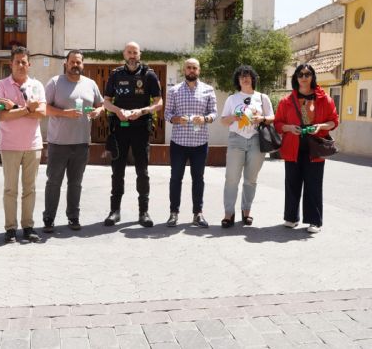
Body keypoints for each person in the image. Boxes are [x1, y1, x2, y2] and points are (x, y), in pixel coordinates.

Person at [42, 50, 104, 232]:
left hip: (81, 143)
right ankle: (49, 218)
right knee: (54, 182)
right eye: (72, 62)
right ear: (66, 64)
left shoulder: (90, 84)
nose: (75, 65)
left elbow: (101, 105)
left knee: (75, 183)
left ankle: (73, 217)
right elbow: (44, 108)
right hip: (58, 143)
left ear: (82, 64)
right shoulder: (55, 82)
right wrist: (64, 113)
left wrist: (98, 111)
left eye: (78, 62)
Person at [102, 41, 163, 227]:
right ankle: (114, 211)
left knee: (142, 172)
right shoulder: (115, 75)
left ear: (140, 55)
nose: (132, 56)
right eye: (129, 52)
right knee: (117, 171)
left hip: (141, 129)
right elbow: (106, 101)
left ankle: (144, 212)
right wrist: (117, 110)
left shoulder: (149, 75)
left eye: (135, 52)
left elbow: (159, 103)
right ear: (124, 54)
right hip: (119, 129)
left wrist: (142, 111)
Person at [274, 64, 338, 233]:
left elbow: (334, 121)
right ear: (296, 77)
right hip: (292, 148)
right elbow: (278, 124)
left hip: (315, 149)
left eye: (307, 74)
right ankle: (291, 217)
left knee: (313, 185)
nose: (304, 77)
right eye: (300, 74)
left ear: (312, 77)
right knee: (292, 183)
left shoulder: (325, 99)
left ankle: (314, 221)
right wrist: (289, 128)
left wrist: (320, 126)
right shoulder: (286, 101)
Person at [0, 47, 46, 243]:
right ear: (11, 64)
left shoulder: (37, 85)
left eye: (24, 62)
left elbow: (42, 113)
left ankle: (28, 226)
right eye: (17, 62)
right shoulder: (0, 85)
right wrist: (26, 109)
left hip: (33, 145)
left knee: (30, 189)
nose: (21, 65)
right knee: (10, 190)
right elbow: (1, 116)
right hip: (9, 145)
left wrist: (14, 108)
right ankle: (10, 229)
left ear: (29, 64)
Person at [219, 65, 274, 228]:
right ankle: (228, 213)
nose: (245, 78)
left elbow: (272, 117)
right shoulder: (232, 99)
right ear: (238, 80)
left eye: (248, 75)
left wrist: (262, 118)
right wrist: (234, 117)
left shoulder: (262, 97)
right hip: (236, 139)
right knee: (231, 178)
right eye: (241, 76)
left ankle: (246, 211)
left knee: (250, 179)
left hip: (256, 139)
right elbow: (223, 121)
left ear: (253, 79)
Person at [164, 58, 217, 227]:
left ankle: (198, 214)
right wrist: (176, 119)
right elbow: (167, 114)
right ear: (184, 70)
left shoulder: (208, 90)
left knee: (198, 179)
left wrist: (205, 119)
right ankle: (173, 213)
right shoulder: (174, 90)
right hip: (178, 143)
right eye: (188, 67)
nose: (191, 70)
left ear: (199, 70)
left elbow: (214, 113)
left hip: (200, 143)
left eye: (194, 68)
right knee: (175, 178)